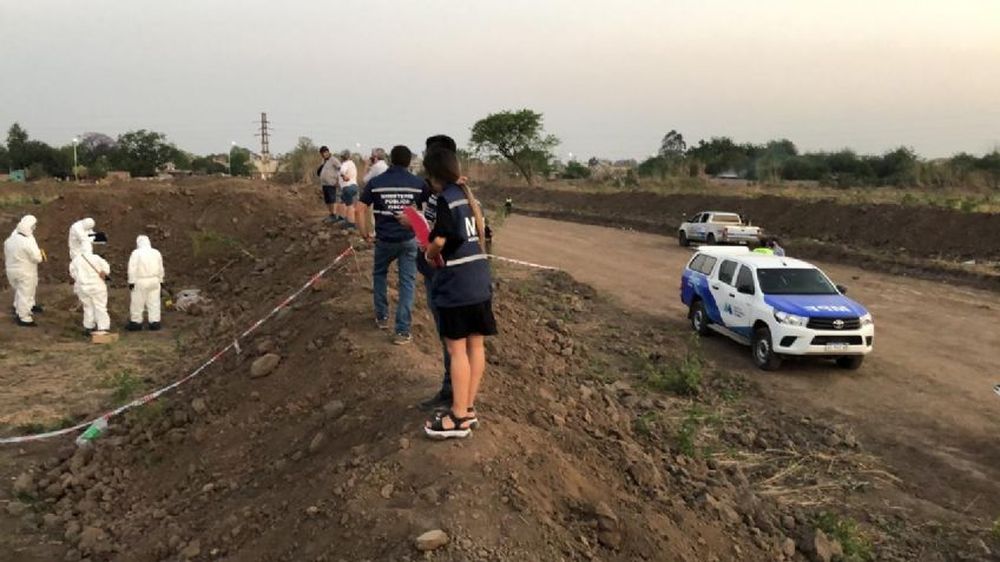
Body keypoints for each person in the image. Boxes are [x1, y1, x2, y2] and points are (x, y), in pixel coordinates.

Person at [422, 147, 497, 440]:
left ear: (433, 176)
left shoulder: (445, 201)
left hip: (457, 285)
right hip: (479, 282)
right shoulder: (471, 198)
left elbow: (439, 239)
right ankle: (468, 407)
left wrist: (429, 254)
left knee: (457, 351)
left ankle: (458, 417)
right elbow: (484, 235)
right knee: (476, 347)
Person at [358, 145, 430, 344]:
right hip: (408, 240)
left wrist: (364, 233)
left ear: (390, 160)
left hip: (384, 240)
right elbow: (430, 209)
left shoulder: (376, 182)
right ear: (408, 162)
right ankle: (402, 331)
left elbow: (359, 209)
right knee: (407, 282)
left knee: (379, 274)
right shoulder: (418, 183)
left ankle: (382, 317)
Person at [412, 134, 459, 411]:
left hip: (444, 276)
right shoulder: (449, 194)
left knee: (451, 338)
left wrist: (414, 225)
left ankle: (454, 395)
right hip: (444, 275)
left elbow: (437, 240)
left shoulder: (443, 198)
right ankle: (452, 391)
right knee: (450, 338)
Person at [4, 215, 45, 327]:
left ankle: (18, 308)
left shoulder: (9, 240)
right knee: (25, 293)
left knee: (19, 291)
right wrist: (40, 254)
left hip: (11, 270)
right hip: (25, 271)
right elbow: (37, 258)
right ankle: (24, 317)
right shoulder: (27, 242)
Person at [69, 245, 112, 334]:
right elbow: (106, 270)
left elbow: (72, 273)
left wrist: (80, 279)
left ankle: (89, 327)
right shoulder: (96, 258)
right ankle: (103, 327)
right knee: (100, 306)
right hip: (97, 286)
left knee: (88, 306)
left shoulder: (76, 260)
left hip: (83, 288)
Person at [126, 235, 165, 331]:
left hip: (140, 280)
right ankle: (155, 322)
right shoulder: (156, 253)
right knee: (154, 302)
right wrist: (161, 280)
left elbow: (132, 269)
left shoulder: (136, 253)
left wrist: (131, 281)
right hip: (155, 281)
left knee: (137, 302)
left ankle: (136, 323)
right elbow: (161, 268)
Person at [317, 146, 343, 224]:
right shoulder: (323, 161)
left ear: (328, 152)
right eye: (322, 153)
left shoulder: (334, 160)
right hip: (324, 183)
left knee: (332, 199)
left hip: (332, 183)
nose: (324, 154)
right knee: (327, 200)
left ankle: (334, 215)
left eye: (325, 153)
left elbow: (340, 169)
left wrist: (338, 181)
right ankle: (331, 214)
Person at [339, 150, 360, 230]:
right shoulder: (352, 163)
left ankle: (351, 223)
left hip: (348, 187)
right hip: (354, 186)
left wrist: (344, 176)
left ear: (342, 157)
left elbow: (342, 171)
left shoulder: (345, 163)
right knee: (343, 201)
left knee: (349, 205)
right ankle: (345, 219)